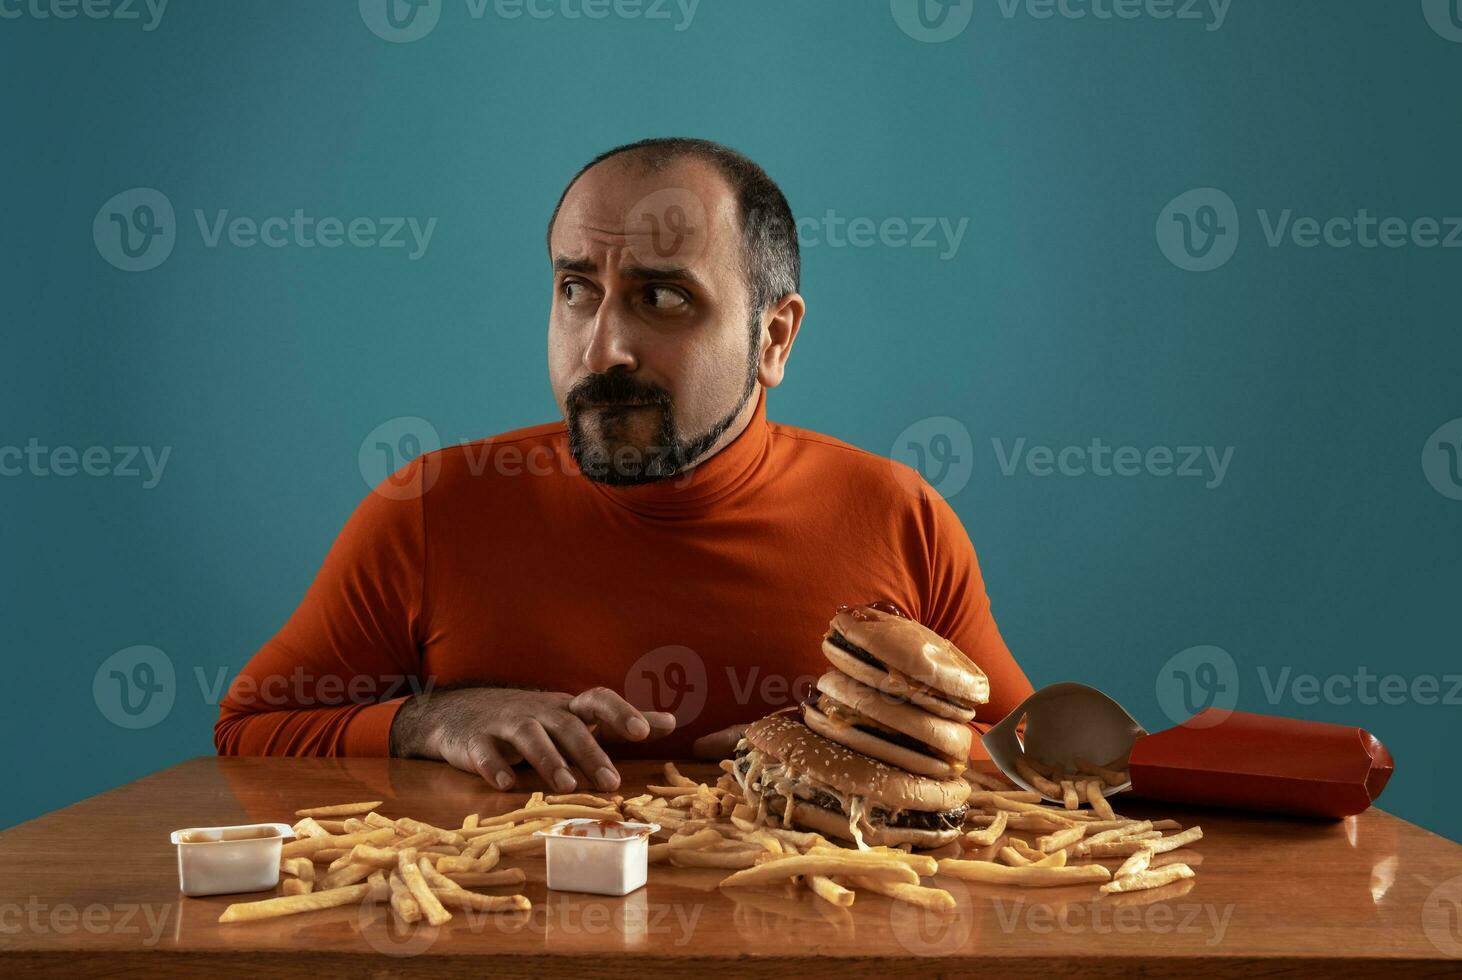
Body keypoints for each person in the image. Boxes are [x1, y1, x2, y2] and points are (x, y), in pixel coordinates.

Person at [215, 137, 1032, 793]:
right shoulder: (432, 507)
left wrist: (846, 747)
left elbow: (1037, 763)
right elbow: (248, 731)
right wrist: (432, 721)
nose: (602, 348)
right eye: (577, 288)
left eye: (664, 298)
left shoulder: (895, 515)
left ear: (774, 339)